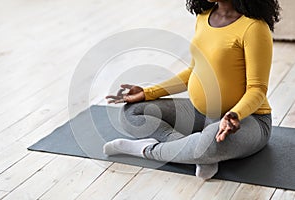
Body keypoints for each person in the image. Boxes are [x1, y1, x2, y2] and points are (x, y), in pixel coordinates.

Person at [103, 0, 281, 180]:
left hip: (245, 119)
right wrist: (148, 93)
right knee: (132, 113)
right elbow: (192, 72)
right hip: (203, 113)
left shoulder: (254, 28)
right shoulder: (204, 17)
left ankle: (146, 150)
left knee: (210, 144)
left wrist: (234, 114)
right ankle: (196, 153)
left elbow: (257, 90)